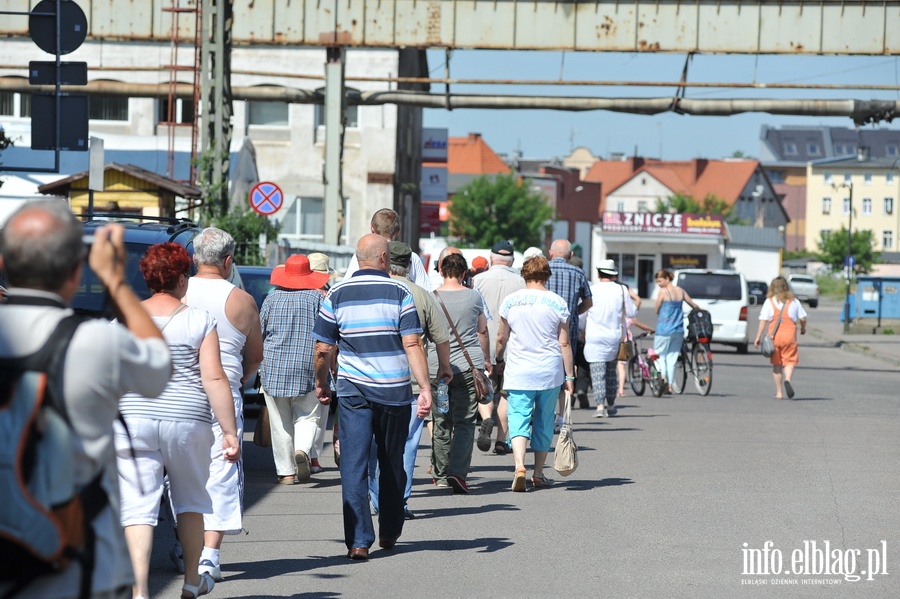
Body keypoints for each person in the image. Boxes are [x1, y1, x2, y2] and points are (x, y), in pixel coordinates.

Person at [0, 200, 171, 599]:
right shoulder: (96, 341)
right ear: (77, 271)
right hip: (81, 566)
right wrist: (115, 281)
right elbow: (159, 365)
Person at [115, 243, 240, 599]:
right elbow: (214, 379)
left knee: (138, 508)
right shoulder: (199, 320)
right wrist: (229, 432)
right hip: (188, 422)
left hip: (135, 419)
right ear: (182, 279)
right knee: (189, 502)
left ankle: (139, 591)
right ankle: (190, 581)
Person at [312, 234, 432, 561]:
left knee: (354, 464)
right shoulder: (400, 293)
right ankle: (390, 530)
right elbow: (412, 344)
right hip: (393, 392)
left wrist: (321, 383)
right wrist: (424, 387)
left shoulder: (335, 294)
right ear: (383, 258)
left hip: (352, 391)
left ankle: (359, 540)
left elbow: (324, 347)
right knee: (392, 461)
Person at [184, 227, 263, 582]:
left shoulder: (178, 292)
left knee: (182, 469)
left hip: (181, 391)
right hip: (225, 393)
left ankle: (183, 543)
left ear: (194, 258)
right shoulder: (241, 300)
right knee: (222, 470)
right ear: (228, 261)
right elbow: (255, 356)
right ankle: (210, 555)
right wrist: (239, 380)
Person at [368, 241, 452, 518]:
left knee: (375, 442)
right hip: (414, 382)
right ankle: (399, 502)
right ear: (409, 266)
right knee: (407, 443)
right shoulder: (422, 295)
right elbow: (441, 337)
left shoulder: (374, 290)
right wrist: (444, 368)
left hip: (373, 379)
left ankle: (377, 498)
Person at [495, 255, 574, 491]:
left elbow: (501, 337)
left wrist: (499, 358)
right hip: (549, 371)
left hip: (519, 370)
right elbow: (564, 343)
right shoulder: (557, 302)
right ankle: (538, 473)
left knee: (518, 417)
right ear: (547, 275)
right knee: (543, 420)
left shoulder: (510, 302)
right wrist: (569, 376)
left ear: (524, 274)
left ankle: (519, 465)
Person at [259, 254, 331, 484]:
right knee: (308, 415)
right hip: (307, 365)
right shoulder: (316, 298)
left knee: (280, 422)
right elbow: (326, 337)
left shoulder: (272, 299)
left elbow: (260, 331)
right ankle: (302, 450)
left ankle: (287, 472)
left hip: (274, 366)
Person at [430, 252, 491, 493]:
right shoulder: (474, 297)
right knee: (465, 422)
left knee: (441, 419)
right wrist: (485, 359)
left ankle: (440, 474)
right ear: (464, 273)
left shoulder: (431, 297)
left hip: (437, 369)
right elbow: (482, 331)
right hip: (467, 369)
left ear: (441, 271)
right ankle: (458, 472)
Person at [473, 240, 525, 455]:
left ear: (491, 258)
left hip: (481, 344)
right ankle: (502, 440)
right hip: (511, 346)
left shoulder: (477, 280)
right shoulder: (521, 282)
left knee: (484, 390)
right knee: (506, 394)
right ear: (512, 260)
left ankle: (486, 419)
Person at [582, 260, 638, 417]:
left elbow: (583, 314)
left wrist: (581, 330)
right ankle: (611, 404)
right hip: (614, 338)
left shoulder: (592, 289)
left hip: (594, 337)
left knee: (597, 372)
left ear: (599, 273)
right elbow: (632, 312)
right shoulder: (621, 290)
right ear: (614, 274)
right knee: (611, 372)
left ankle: (600, 406)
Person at [546, 240, 592, 429]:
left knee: (546, 368)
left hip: (544, 328)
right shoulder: (578, 272)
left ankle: (544, 414)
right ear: (571, 255)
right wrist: (572, 313)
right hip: (569, 329)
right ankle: (562, 416)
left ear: (550, 253)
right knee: (566, 371)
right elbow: (588, 302)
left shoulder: (542, 270)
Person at [343, 208, 431, 290]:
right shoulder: (411, 257)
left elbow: (346, 285)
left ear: (372, 229)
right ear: (397, 232)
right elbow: (425, 290)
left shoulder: (363, 254)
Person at [753, 276, 807, 399]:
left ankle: (779, 392)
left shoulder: (770, 301)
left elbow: (763, 320)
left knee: (777, 364)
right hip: (790, 336)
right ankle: (787, 379)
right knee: (790, 361)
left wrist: (758, 337)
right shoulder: (794, 301)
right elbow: (803, 318)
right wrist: (803, 328)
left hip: (774, 337)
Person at [306, 252, 335, 473]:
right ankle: (312, 457)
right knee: (317, 412)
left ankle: (294, 457)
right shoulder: (326, 298)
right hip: (319, 360)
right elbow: (331, 339)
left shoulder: (284, 293)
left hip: (287, 360)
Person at [654, 269, 701, 394]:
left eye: (660, 281)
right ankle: (670, 385)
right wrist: (700, 310)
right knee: (672, 358)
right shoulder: (680, 291)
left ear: (667, 279)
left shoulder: (663, 292)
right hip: (678, 329)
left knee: (660, 355)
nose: (658, 284)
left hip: (663, 329)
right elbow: (692, 304)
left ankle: (662, 378)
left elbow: (657, 308)